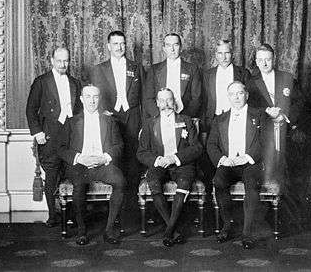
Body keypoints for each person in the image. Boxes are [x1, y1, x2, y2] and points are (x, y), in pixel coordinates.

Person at [246, 43, 311, 232]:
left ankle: (289, 219)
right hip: (263, 135)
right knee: (268, 172)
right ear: (256, 62)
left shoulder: (287, 78)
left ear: (274, 59)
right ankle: (268, 217)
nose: (264, 63)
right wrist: (267, 111)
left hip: (288, 134)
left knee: (289, 173)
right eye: (261, 60)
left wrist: (286, 116)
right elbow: (247, 107)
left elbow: (301, 102)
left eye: (268, 59)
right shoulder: (251, 82)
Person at [57, 85, 125, 246]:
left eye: (95, 96)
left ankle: (108, 230)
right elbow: (61, 148)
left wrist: (104, 158)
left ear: (99, 98)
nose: (92, 100)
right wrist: (80, 158)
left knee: (120, 181)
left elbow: (119, 146)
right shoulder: (72, 122)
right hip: (80, 165)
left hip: (102, 164)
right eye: (88, 97)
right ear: (81, 99)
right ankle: (82, 231)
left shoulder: (109, 121)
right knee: (79, 185)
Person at [137, 88, 203, 247]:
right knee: (153, 181)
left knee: (184, 184)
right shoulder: (149, 123)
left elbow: (197, 148)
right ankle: (173, 228)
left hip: (181, 163)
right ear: (157, 103)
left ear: (174, 102)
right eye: (162, 100)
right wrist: (157, 159)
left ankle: (168, 231)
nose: (166, 104)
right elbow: (141, 152)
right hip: (160, 163)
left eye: (169, 100)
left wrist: (174, 158)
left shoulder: (186, 120)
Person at [89, 30, 145, 215]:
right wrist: (106, 116)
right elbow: (96, 98)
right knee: (114, 160)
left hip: (133, 118)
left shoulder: (136, 67)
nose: (119, 47)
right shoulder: (99, 69)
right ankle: (116, 209)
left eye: (122, 43)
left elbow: (144, 97)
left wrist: (144, 124)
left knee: (133, 161)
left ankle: (132, 208)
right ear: (108, 46)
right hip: (111, 120)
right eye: (115, 44)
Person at [26, 47, 82, 227]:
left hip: (71, 137)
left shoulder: (74, 82)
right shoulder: (41, 82)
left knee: (74, 174)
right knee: (51, 175)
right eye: (59, 61)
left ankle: (72, 215)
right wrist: (37, 132)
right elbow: (30, 109)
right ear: (51, 60)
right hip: (49, 135)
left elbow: (80, 111)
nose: (63, 64)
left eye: (66, 61)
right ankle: (52, 215)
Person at [207, 81, 266, 249]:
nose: (237, 97)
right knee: (218, 181)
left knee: (252, 184)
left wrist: (247, 157)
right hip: (229, 162)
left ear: (246, 95)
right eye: (233, 94)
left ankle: (247, 232)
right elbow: (211, 144)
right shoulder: (220, 119)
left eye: (240, 93)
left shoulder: (259, 115)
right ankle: (228, 225)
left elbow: (265, 141)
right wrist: (222, 159)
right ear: (228, 97)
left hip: (250, 163)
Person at [200, 40, 251, 191]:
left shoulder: (243, 73)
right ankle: (214, 199)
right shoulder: (207, 74)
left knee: (234, 158)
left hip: (237, 121)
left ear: (232, 54)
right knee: (212, 161)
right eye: (220, 53)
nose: (224, 57)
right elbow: (203, 101)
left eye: (227, 53)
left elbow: (249, 98)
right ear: (215, 55)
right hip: (213, 121)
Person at [144, 33, 202, 119]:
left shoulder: (192, 69)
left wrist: (185, 118)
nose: (172, 49)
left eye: (175, 45)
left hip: (185, 116)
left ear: (181, 47)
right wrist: (159, 117)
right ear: (164, 48)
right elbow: (149, 98)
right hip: (160, 117)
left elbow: (196, 98)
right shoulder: (154, 69)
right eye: (168, 45)